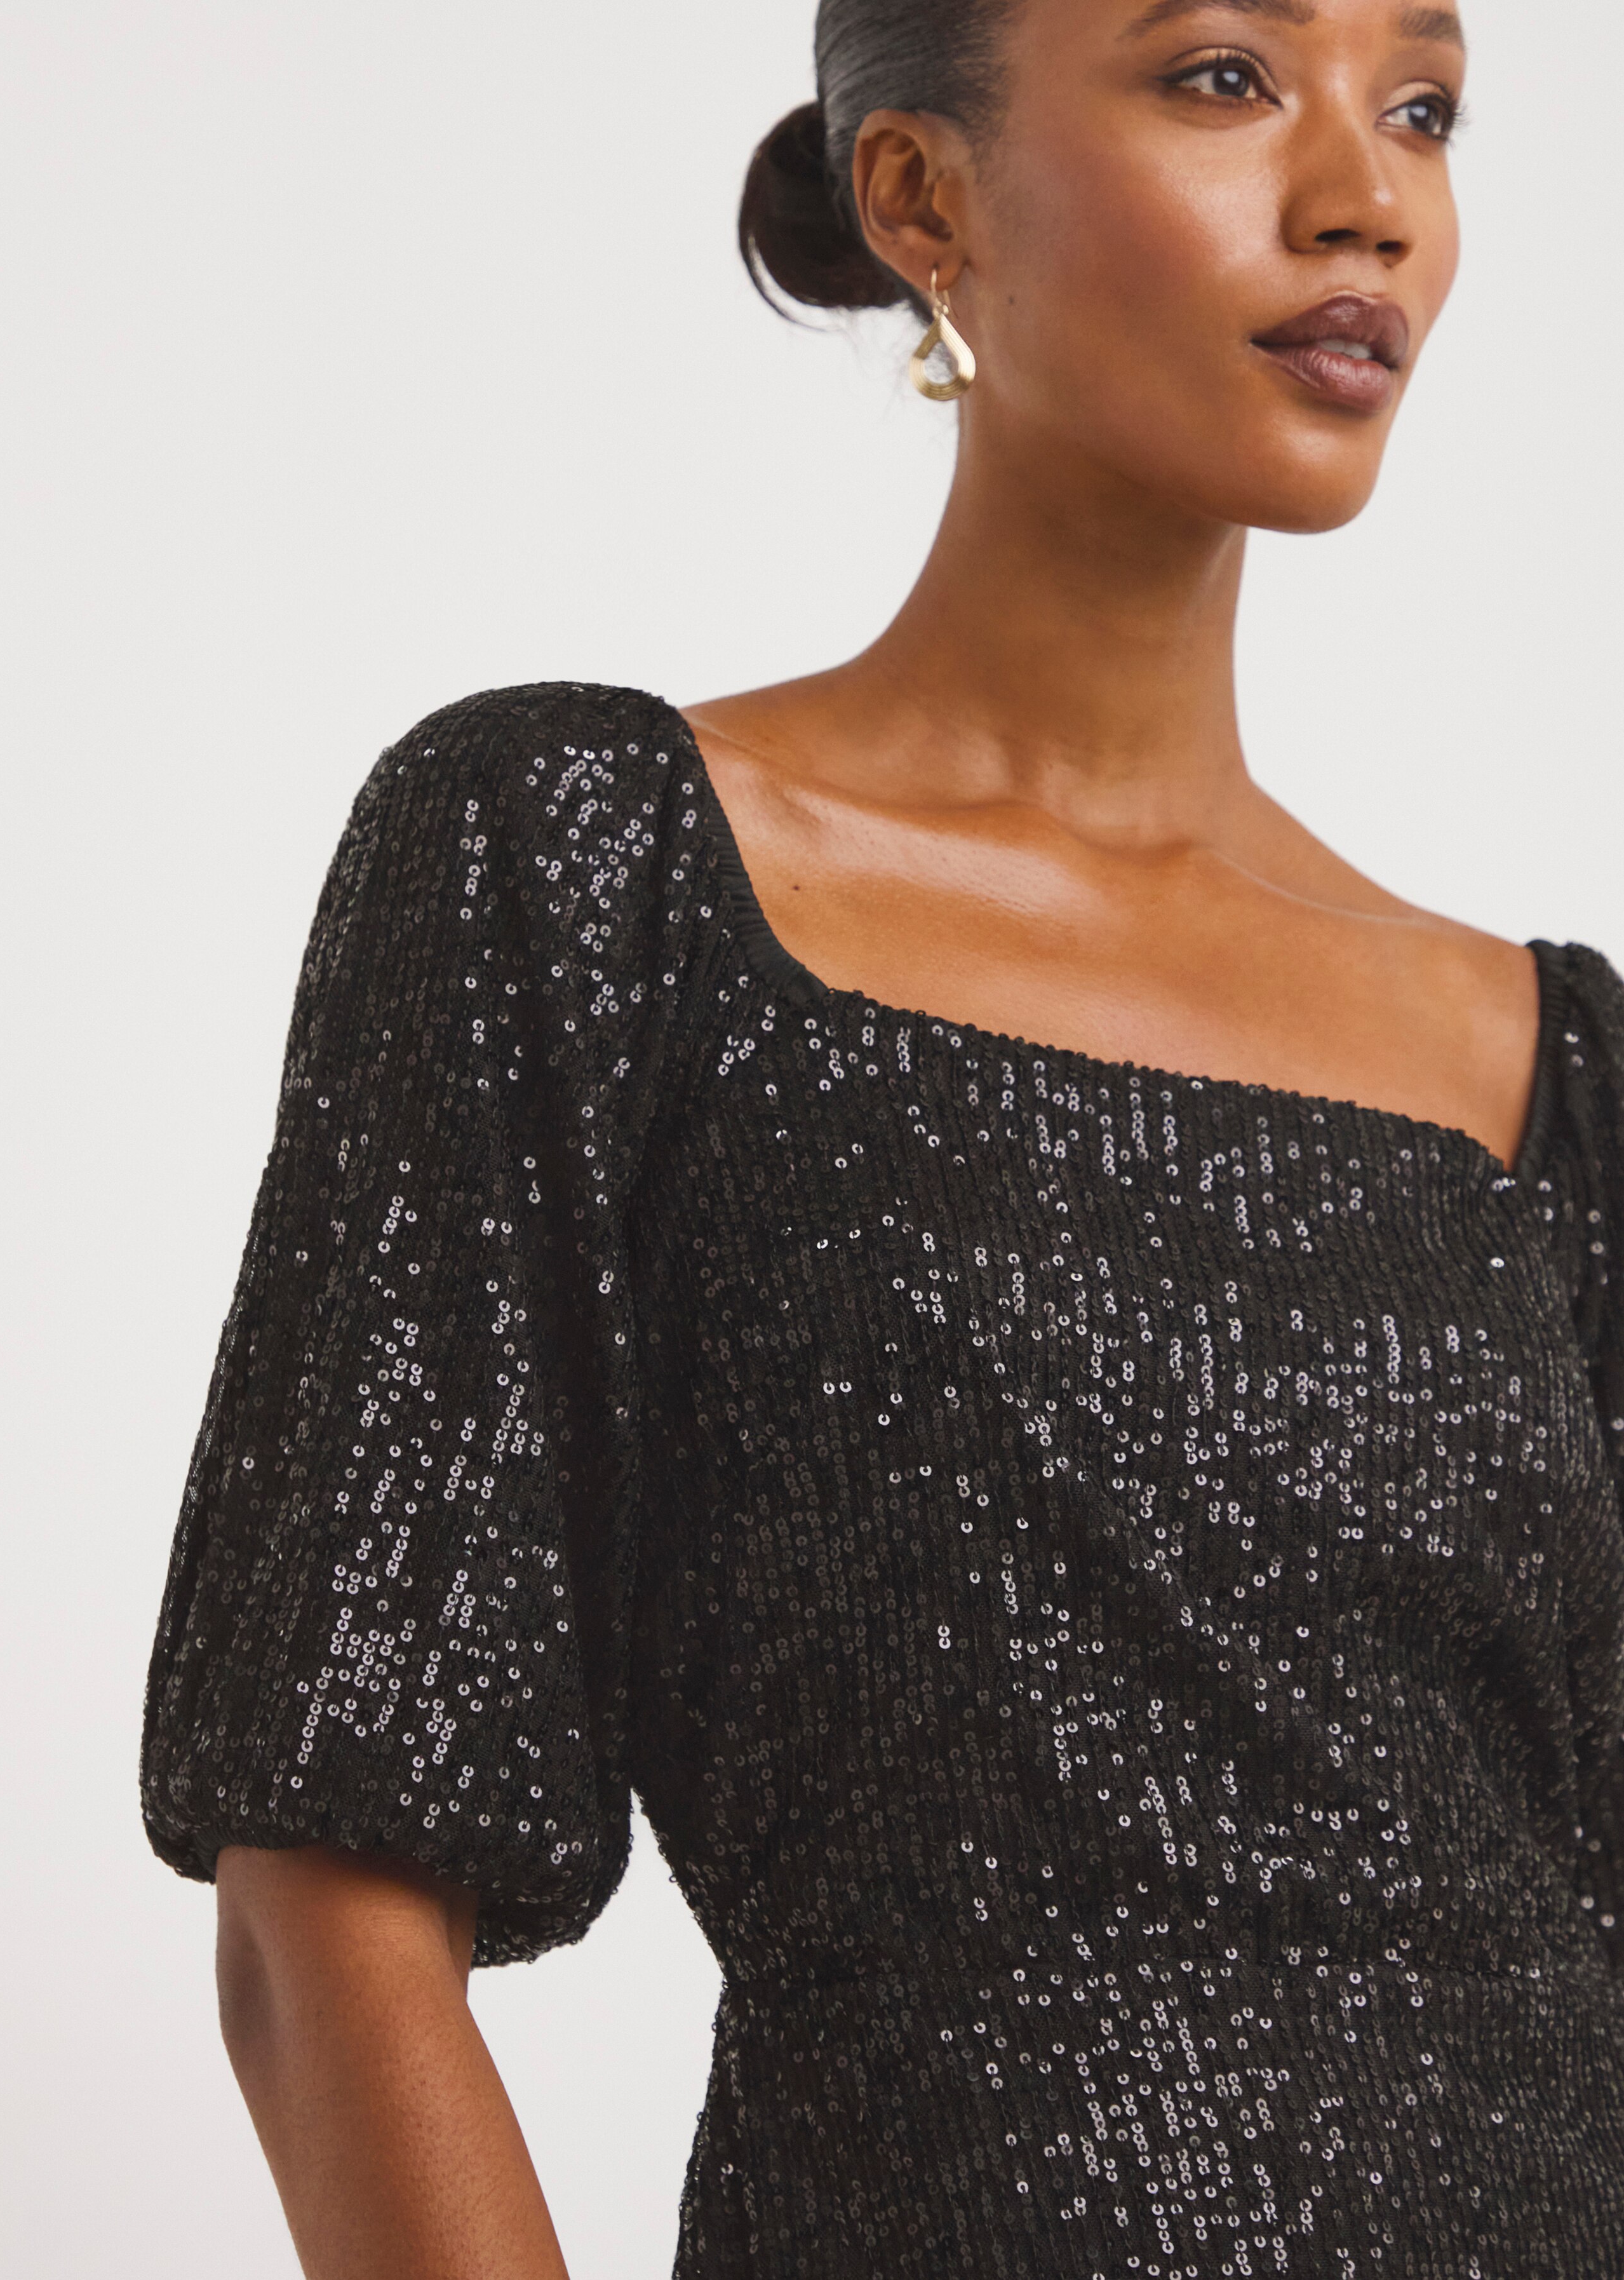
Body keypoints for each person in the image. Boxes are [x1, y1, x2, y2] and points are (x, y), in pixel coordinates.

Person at [141, 0, 1624, 2272]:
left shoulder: (1564, 1072)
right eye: (1225, 76)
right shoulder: (593, 865)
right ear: (922, 197)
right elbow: (326, 1903)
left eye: (1421, 106)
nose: (1370, 198)